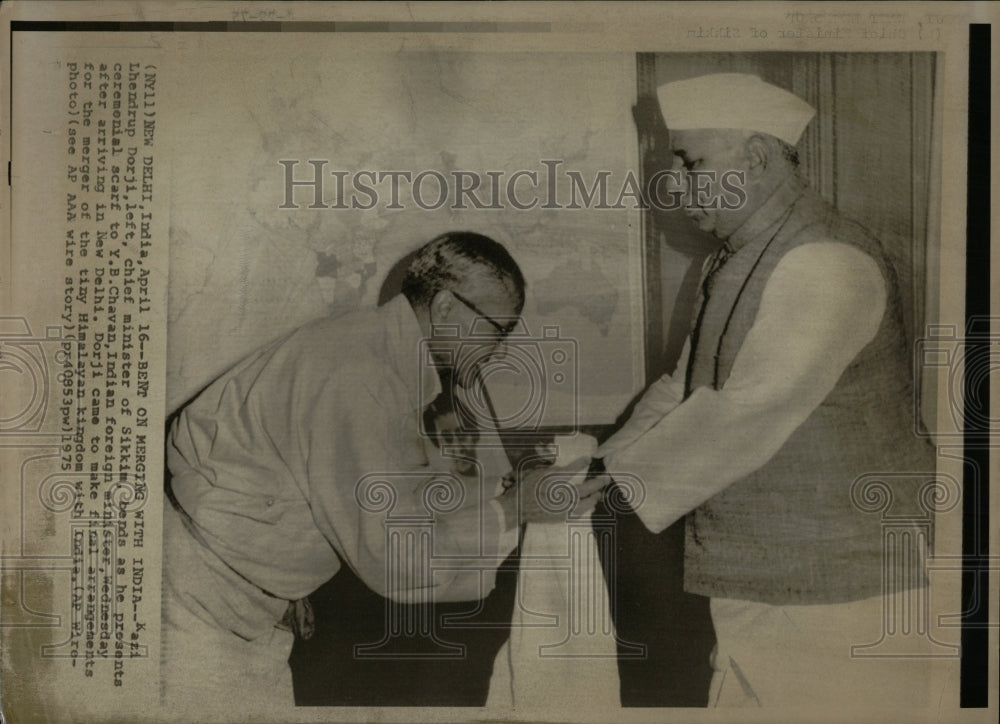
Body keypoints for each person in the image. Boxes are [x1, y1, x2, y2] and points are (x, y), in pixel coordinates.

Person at [548, 73, 937, 706]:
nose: (673, 182)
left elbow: (754, 407)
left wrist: (619, 485)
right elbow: (685, 384)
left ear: (755, 159)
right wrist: (603, 463)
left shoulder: (825, 259)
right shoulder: (732, 257)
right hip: (769, 573)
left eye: (690, 161)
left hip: (847, 581)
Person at [160, 231, 603, 712]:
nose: (501, 347)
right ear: (447, 308)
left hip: (232, 602)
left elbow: (411, 490)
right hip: (203, 609)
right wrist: (514, 509)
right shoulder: (360, 375)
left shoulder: (374, 352)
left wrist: (505, 488)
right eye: (499, 328)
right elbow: (392, 556)